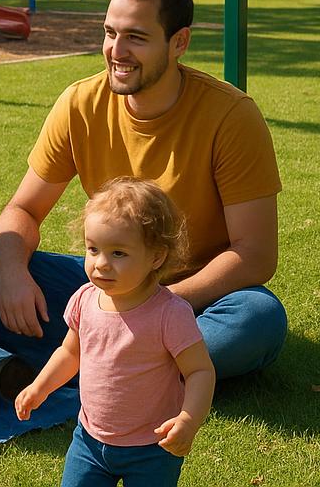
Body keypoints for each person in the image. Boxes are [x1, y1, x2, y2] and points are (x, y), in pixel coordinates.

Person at [0, 0, 285, 382]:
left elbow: (255, 253)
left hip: (194, 297)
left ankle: (80, 362)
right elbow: (23, 210)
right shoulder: (81, 102)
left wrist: (160, 306)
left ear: (179, 43)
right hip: (109, 281)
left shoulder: (230, 115)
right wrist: (13, 276)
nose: (116, 51)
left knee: (257, 319)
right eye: (109, 32)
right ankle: (137, 365)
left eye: (136, 37)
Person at [16, 178, 215, 487]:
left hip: (153, 448)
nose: (102, 264)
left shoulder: (169, 313)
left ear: (156, 257)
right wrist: (40, 388)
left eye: (119, 253)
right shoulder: (84, 299)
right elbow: (71, 352)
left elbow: (200, 371)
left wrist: (188, 420)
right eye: (93, 249)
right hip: (89, 441)